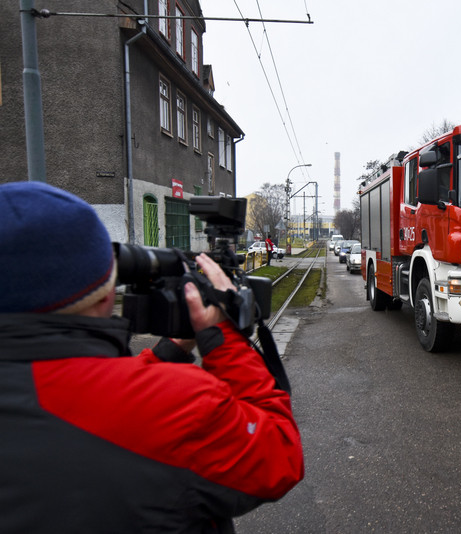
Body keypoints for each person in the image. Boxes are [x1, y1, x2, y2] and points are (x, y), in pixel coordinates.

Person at [0, 182, 304, 533]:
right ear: (104, 294)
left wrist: (169, 352)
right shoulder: (179, 404)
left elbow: (77, 394)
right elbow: (278, 456)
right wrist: (226, 341)